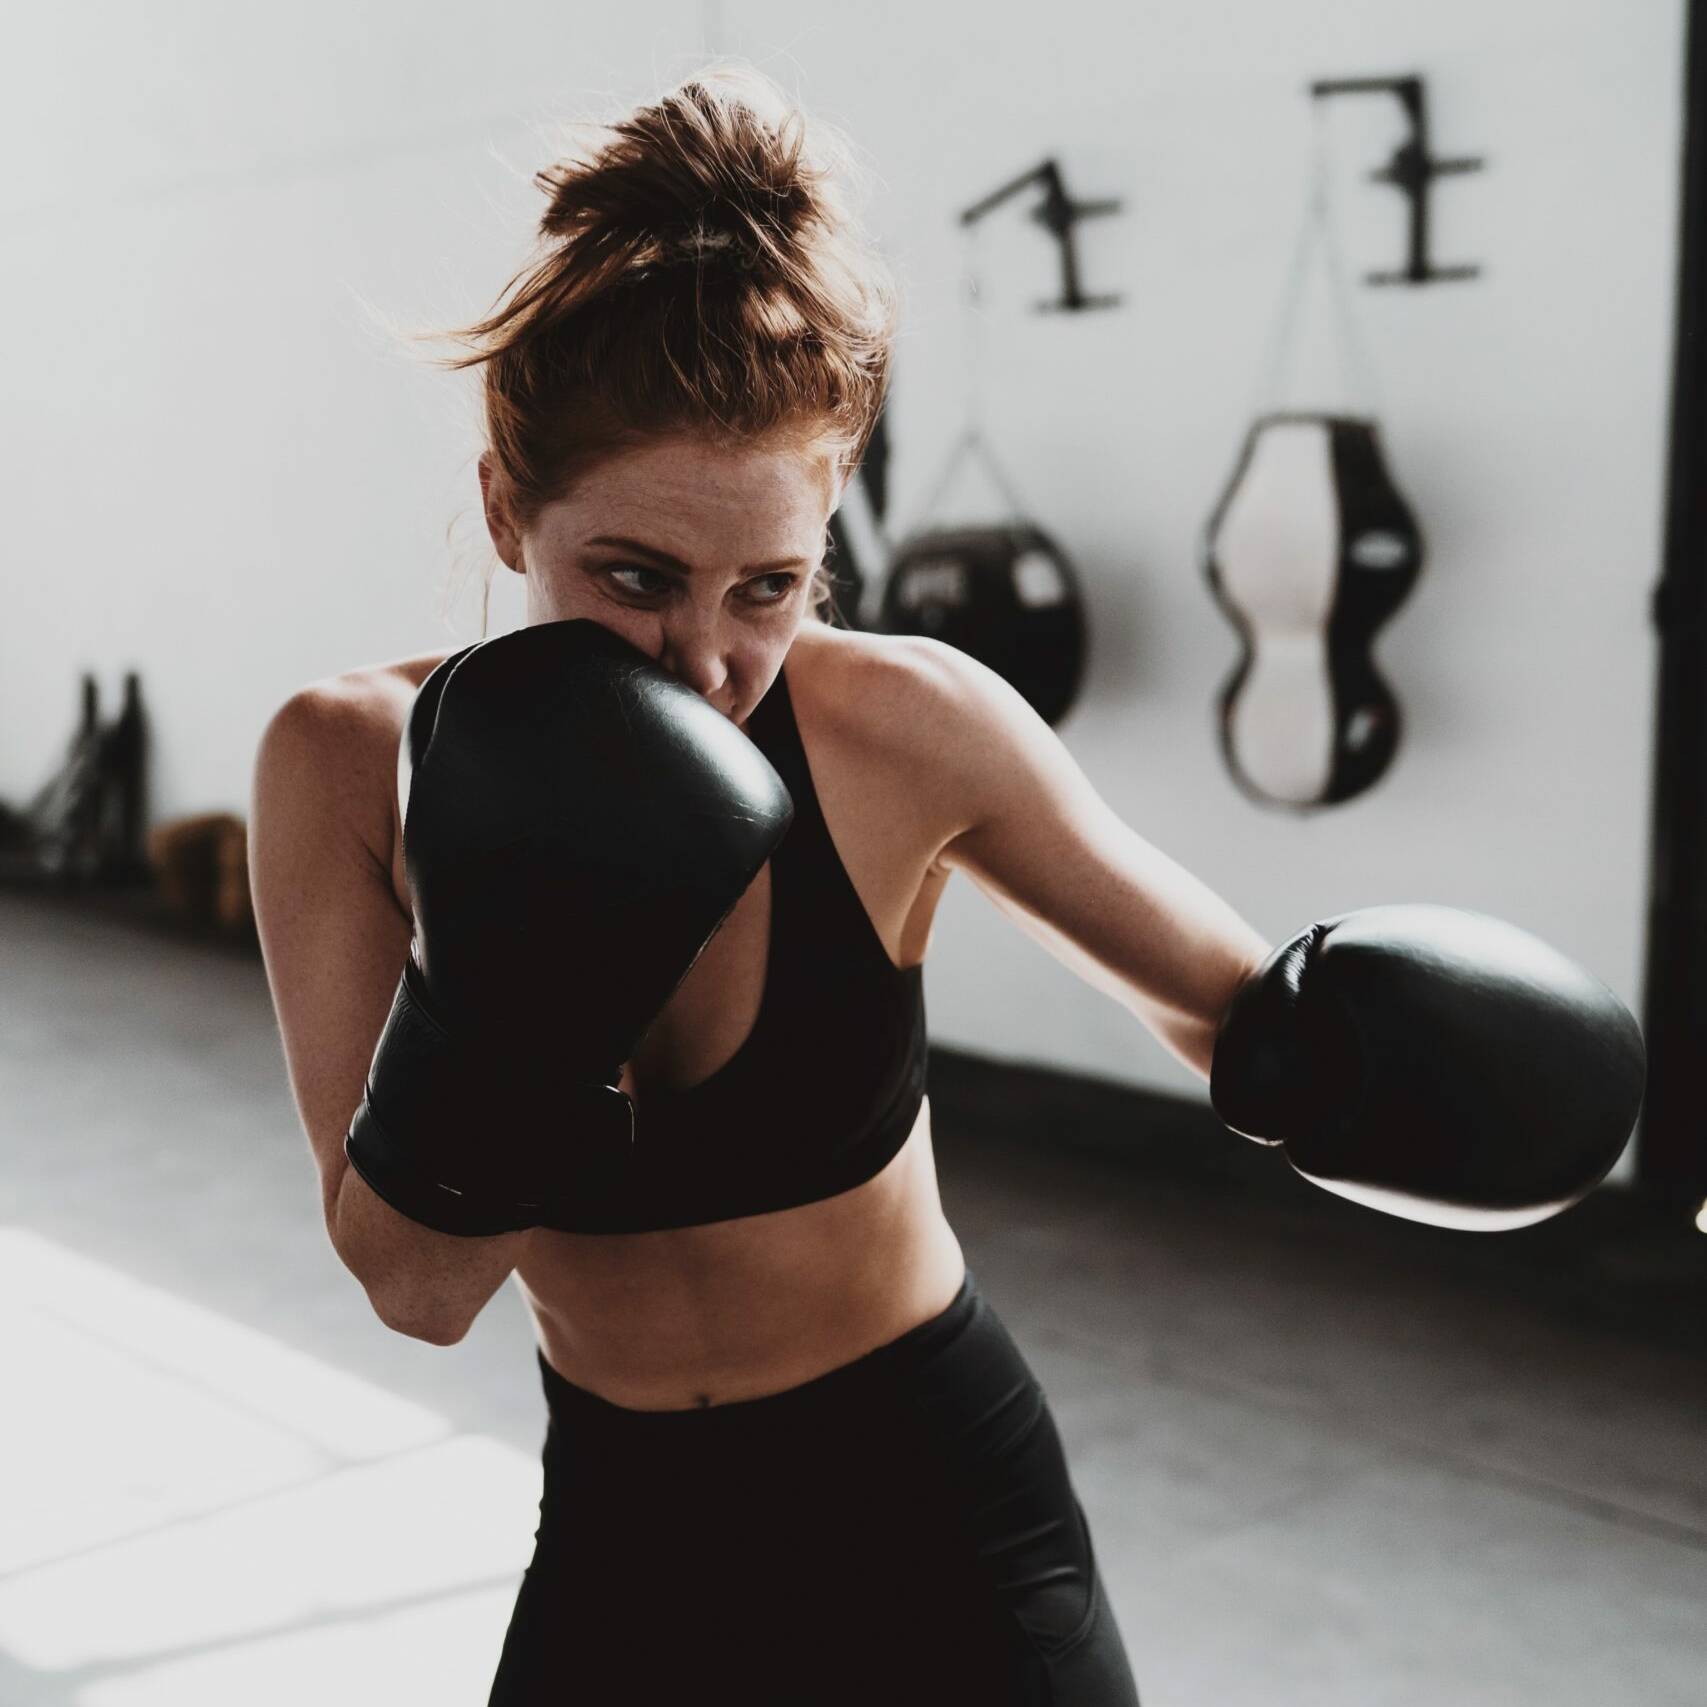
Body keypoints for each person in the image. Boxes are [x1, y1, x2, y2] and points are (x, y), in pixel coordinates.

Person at [248, 68, 1642, 1706]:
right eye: (633, 579)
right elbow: (414, 1285)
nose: (705, 663)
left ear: (832, 530)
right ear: (506, 504)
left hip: (937, 1503)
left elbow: (1244, 1015)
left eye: (768, 587)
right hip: (630, 1526)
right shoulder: (348, 766)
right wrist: (534, 955)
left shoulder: (905, 728)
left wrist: (1388, 1061)